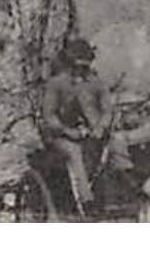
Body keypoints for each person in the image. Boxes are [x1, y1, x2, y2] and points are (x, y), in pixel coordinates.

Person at [40, 37, 111, 216]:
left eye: (85, 66)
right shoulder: (56, 84)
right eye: (77, 66)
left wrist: (101, 127)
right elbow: (49, 116)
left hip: (88, 133)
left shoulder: (96, 83)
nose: (81, 71)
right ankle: (86, 201)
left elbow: (107, 111)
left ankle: (117, 196)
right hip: (60, 136)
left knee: (109, 149)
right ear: (69, 64)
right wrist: (68, 131)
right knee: (74, 152)